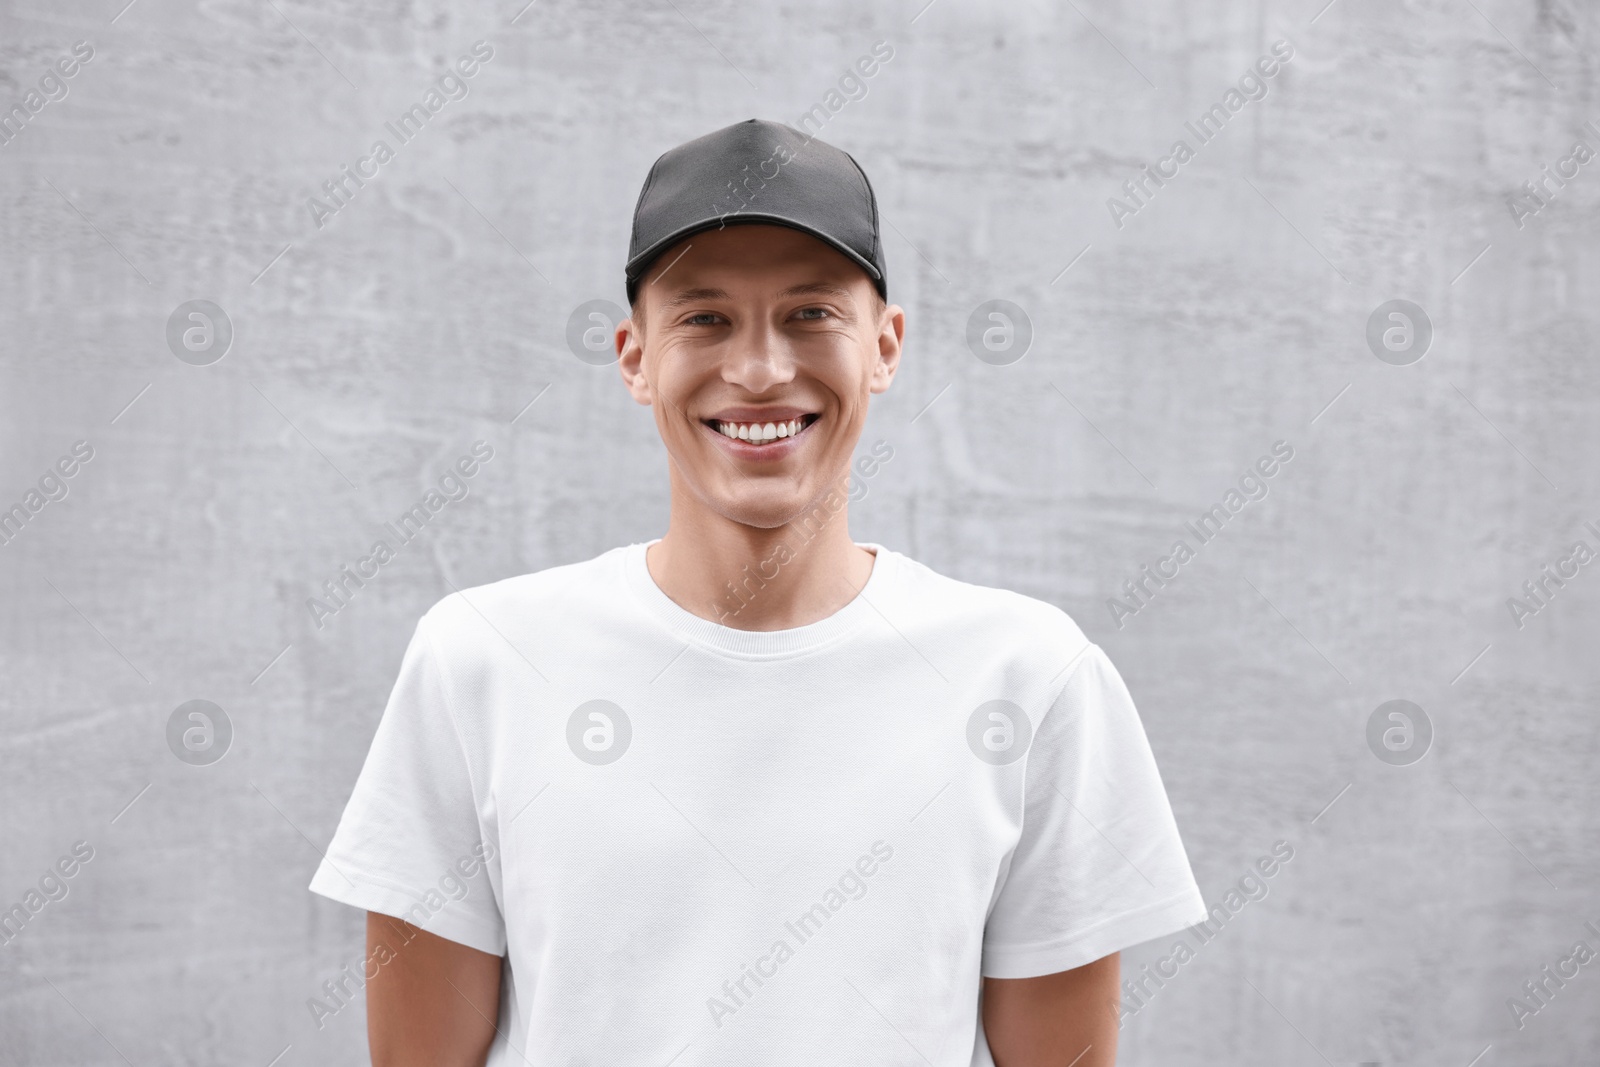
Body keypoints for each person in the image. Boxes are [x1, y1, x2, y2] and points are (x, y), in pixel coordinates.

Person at [310, 117, 1207, 1067]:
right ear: (635, 358)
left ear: (886, 347)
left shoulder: (1029, 677)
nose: (760, 369)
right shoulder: (483, 658)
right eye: (704, 318)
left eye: (811, 314)